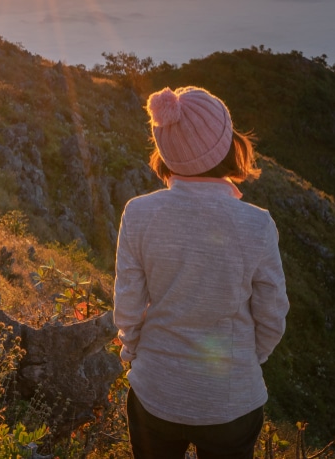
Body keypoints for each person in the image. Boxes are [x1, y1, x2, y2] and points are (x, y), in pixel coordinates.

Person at [114, 86, 290, 459]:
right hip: (232, 403)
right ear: (229, 145)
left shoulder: (139, 214)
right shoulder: (257, 225)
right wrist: (244, 360)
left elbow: (128, 307)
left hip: (154, 393)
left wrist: (132, 351)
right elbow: (272, 317)